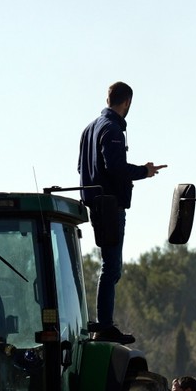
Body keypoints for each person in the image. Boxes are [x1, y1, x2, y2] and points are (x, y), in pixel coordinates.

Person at [78, 81, 166, 344]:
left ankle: (103, 323)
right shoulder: (112, 128)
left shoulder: (89, 129)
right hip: (109, 204)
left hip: (95, 202)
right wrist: (144, 171)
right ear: (126, 102)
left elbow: (81, 167)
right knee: (112, 267)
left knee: (109, 265)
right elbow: (115, 167)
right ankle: (104, 324)